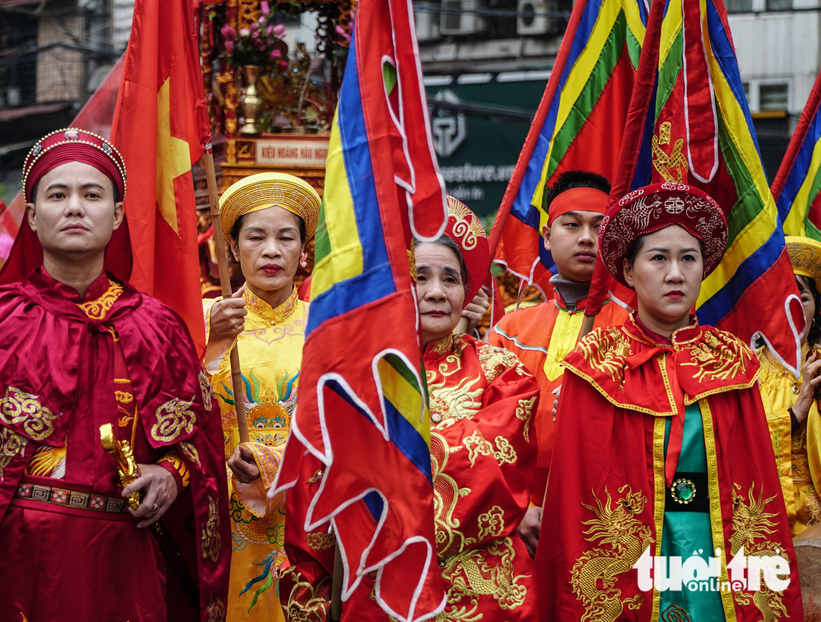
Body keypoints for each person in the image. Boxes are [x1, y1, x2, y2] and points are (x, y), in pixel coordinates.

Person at [0, 128, 231, 622]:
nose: (75, 207)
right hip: (15, 569)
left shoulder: (158, 327)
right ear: (32, 217)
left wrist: (171, 475)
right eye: (57, 194)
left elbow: (199, 443)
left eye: (92, 194)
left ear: (117, 215)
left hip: (128, 568)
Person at [537, 182, 804, 621]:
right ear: (628, 268)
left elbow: (759, 485)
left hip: (718, 552)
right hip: (630, 559)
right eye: (658, 258)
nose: (675, 274)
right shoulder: (596, 365)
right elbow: (575, 502)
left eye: (688, 259)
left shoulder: (731, 362)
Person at [280, 197, 541, 620]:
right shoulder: (348, 379)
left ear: (466, 291)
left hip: (483, 595)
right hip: (375, 593)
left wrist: (377, 465)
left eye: (451, 279)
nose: (436, 292)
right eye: (419, 277)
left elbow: (495, 467)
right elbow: (310, 497)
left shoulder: (503, 373)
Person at [489, 170, 630, 552]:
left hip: (609, 519)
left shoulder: (635, 328)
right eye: (571, 224)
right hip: (518, 522)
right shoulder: (509, 331)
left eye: (599, 226)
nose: (586, 237)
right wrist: (516, 508)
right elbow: (485, 434)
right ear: (548, 238)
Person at [203, 172, 320, 620]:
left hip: (307, 518)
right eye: (255, 236)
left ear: (303, 250)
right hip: (225, 520)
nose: (271, 250)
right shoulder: (205, 320)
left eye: (285, 237)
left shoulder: (327, 327)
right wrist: (208, 343)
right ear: (232, 248)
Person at [758, 236, 821, 534]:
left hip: (813, 510)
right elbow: (733, 437)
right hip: (757, 505)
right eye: (784, 298)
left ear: (816, 308)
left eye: (803, 299)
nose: (793, 309)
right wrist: (796, 411)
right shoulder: (743, 368)